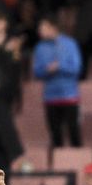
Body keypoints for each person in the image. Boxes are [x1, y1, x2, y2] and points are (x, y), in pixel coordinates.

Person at [33, 14, 83, 150]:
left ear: (53, 27)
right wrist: (47, 70)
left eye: (43, 28)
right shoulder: (39, 47)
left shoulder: (70, 44)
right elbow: (37, 72)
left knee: (74, 132)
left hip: (70, 96)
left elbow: (76, 68)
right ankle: (57, 161)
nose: (40, 31)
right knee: (55, 135)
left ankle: (78, 160)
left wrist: (59, 66)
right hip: (50, 97)